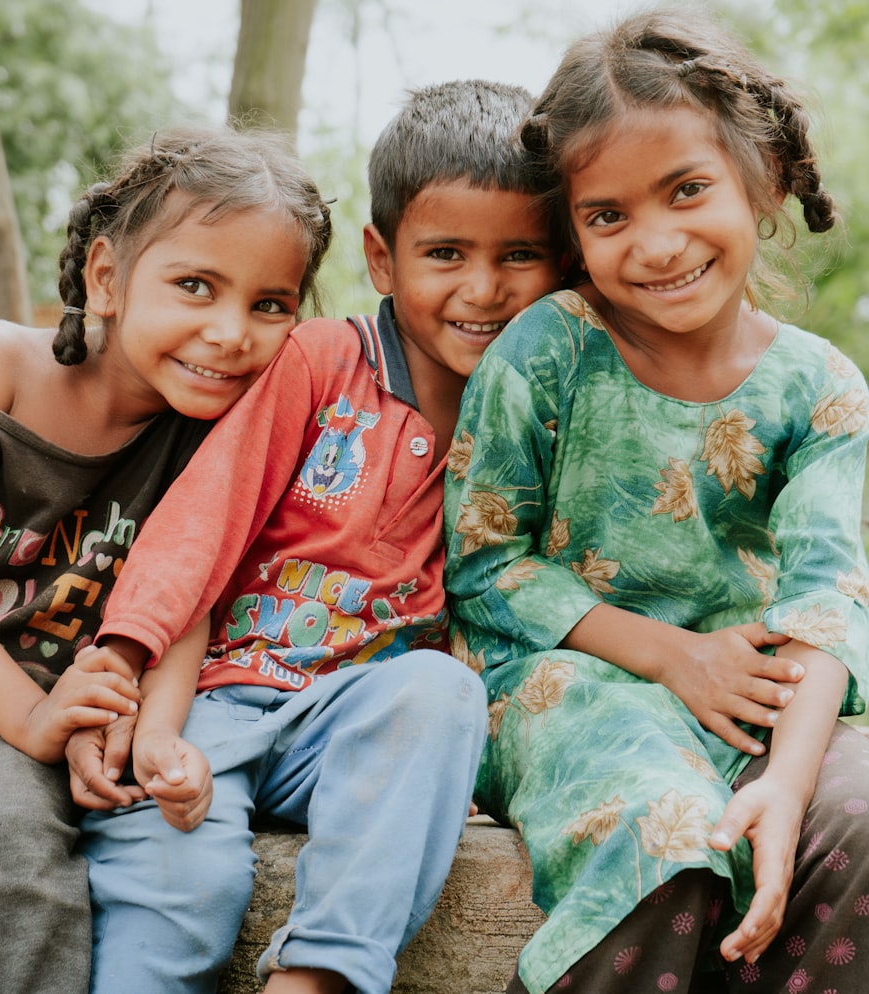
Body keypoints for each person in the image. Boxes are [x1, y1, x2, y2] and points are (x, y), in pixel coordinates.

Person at [67, 79, 565, 994]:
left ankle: (321, 976)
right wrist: (135, 673)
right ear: (382, 258)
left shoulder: (544, 419)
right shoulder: (323, 361)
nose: (483, 289)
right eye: (446, 252)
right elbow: (201, 522)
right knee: (180, 877)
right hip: (213, 695)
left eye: (523, 255)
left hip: (353, 726)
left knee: (436, 692)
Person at [443, 10, 869, 994]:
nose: (656, 243)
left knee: (855, 818)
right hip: (574, 684)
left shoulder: (821, 386)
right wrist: (673, 655)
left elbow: (823, 604)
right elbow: (485, 565)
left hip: (756, 699)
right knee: (667, 840)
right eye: (608, 216)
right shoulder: (546, 350)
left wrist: (786, 782)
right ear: (573, 230)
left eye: (686, 190)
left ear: (756, 174)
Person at [0, 124, 332, 994]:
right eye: (196, 285)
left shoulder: (215, 441)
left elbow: (184, 605)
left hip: (30, 721)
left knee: (22, 856)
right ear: (108, 278)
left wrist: (138, 732)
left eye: (271, 304)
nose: (232, 332)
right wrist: (35, 723)